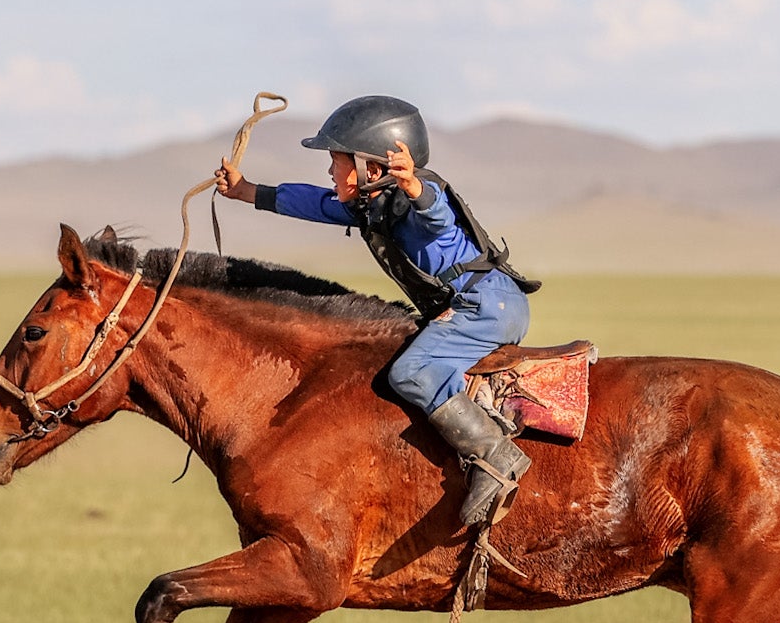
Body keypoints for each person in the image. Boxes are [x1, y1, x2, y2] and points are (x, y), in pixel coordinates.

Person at [215, 95, 540, 527]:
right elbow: (315, 202)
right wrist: (246, 192)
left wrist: (414, 188)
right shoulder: (373, 205)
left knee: (410, 373)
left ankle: (497, 457)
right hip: (475, 307)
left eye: (337, 160)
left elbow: (438, 217)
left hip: (486, 307)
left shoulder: (417, 200)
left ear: (371, 166)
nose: (331, 171)